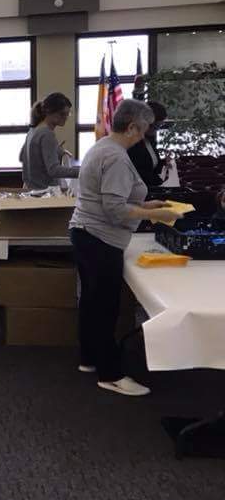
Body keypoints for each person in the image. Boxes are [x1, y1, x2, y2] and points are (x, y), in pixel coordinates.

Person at [69, 100, 180, 397]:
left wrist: (146, 205)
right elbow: (115, 209)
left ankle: (90, 358)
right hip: (99, 237)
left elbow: (111, 198)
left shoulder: (103, 147)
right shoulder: (116, 156)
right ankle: (111, 374)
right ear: (132, 127)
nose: (145, 136)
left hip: (87, 233)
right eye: (144, 130)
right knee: (105, 307)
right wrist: (157, 215)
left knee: (91, 302)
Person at [20, 93, 80, 190]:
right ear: (49, 112)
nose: (65, 117)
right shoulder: (47, 134)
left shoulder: (33, 130)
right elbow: (54, 170)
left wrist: (54, 153)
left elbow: (23, 157)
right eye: (62, 114)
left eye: (67, 114)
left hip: (32, 190)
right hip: (44, 193)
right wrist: (82, 171)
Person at [128, 101, 167, 186]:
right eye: (156, 127)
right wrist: (161, 181)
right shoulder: (132, 145)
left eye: (159, 126)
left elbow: (153, 162)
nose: (157, 130)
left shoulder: (149, 139)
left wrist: (165, 163)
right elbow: (141, 174)